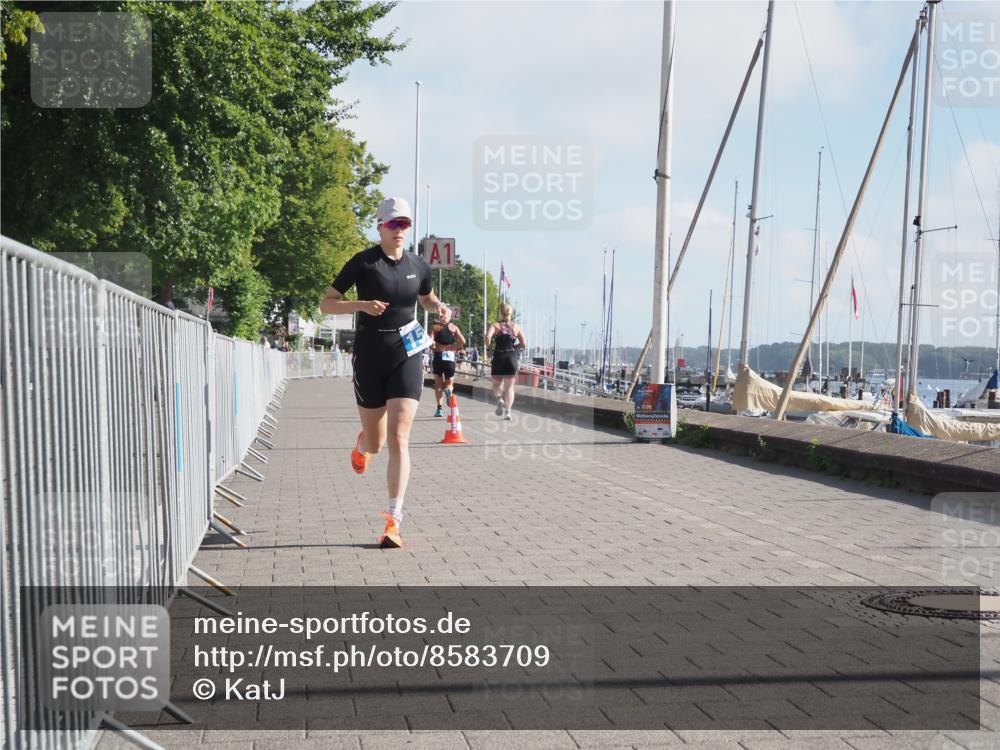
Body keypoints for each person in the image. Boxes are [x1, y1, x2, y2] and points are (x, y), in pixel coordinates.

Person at [320, 196, 447, 548]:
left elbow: (425, 298)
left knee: (400, 437)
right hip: (370, 353)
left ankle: (394, 521)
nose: (400, 230)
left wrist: (439, 307)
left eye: (405, 224)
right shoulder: (363, 263)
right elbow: (326, 302)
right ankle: (363, 444)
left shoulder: (419, 265)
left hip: (407, 352)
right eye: (393, 224)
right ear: (380, 226)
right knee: (377, 441)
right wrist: (360, 305)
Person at [485, 302, 526, 420]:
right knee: (510, 388)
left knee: (496, 385)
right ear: (510, 313)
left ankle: (499, 399)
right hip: (511, 358)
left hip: (499, 357)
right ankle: (508, 412)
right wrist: (515, 347)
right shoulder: (516, 327)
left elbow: (488, 337)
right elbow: (524, 343)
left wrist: (489, 349)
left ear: (501, 312)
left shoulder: (496, 326)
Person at [429, 306, 466, 417]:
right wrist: (454, 347)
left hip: (438, 356)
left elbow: (430, 342)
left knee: (438, 385)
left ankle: (439, 409)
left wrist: (433, 346)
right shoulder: (453, 327)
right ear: (449, 317)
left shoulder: (434, 327)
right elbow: (463, 341)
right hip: (449, 357)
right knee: (450, 383)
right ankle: (449, 391)